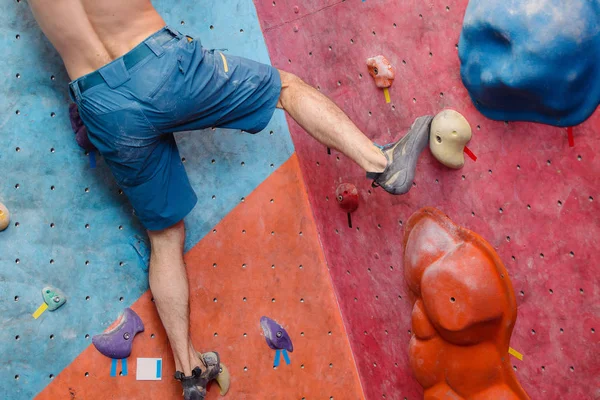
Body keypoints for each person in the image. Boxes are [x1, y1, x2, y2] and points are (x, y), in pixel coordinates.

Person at [28, 0, 431, 398]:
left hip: (103, 102)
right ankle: (382, 162)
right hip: (159, 64)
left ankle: (189, 371)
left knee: (164, 237)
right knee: (286, 88)